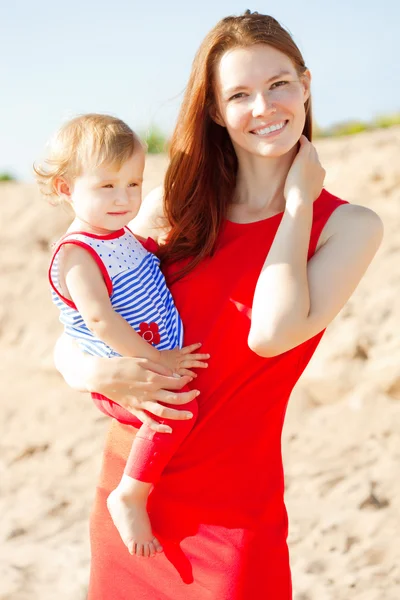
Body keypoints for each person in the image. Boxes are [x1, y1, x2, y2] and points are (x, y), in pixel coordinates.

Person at [54, 11, 383, 600]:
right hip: (135, 491)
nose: (264, 107)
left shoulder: (349, 226)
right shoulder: (170, 207)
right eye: (239, 94)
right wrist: (95, 371)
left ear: (306, 85)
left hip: (235, 516)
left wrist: (298, 202)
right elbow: (77, 324)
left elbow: (270, 333)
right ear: (214, 109)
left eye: (279, 84)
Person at [35, 114, 209, 557]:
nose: (124, 198)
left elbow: (143, 263)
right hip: (126, 364)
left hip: (145, 352)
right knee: (174, 408)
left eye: (134, 184)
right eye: (107, 186)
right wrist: (156, 359)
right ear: (65, 189)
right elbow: (100, 321)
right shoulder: (78, 253)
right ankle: (130, 494)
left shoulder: (117, 234)